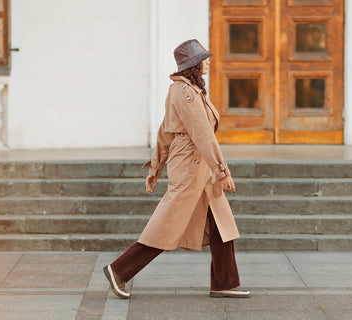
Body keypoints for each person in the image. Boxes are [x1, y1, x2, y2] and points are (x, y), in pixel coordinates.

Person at [103, 39, 250, 299]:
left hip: (197, 165)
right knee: (166, 225)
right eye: (204, 58)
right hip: (193, 167)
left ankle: (224, 282)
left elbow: (164, 130)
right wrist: (222, 171)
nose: (208, 61)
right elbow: (203, 134)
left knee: (221, 223)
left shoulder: (184, 90)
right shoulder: (186, 93)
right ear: (193, 64)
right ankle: (119, 271)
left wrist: (156, 168)